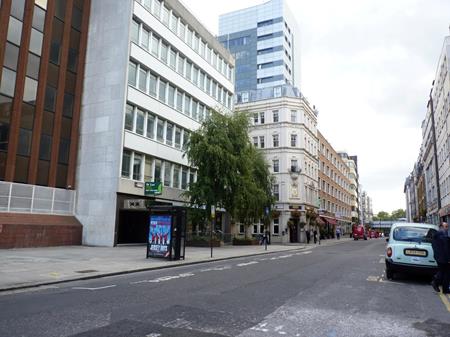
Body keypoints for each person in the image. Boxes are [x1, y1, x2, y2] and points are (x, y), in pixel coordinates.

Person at [431, 222, 450, 294]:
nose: (447, 228)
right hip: (444, 258)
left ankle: (444, 289)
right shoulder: (443, 235)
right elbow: (446, 248)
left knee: (444, 272)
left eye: (447, 227)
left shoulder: (436, 235)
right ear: (441, 227)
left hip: (438, 257)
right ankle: (435, 282)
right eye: (446, 227)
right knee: (445, 273)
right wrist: (448, 259)